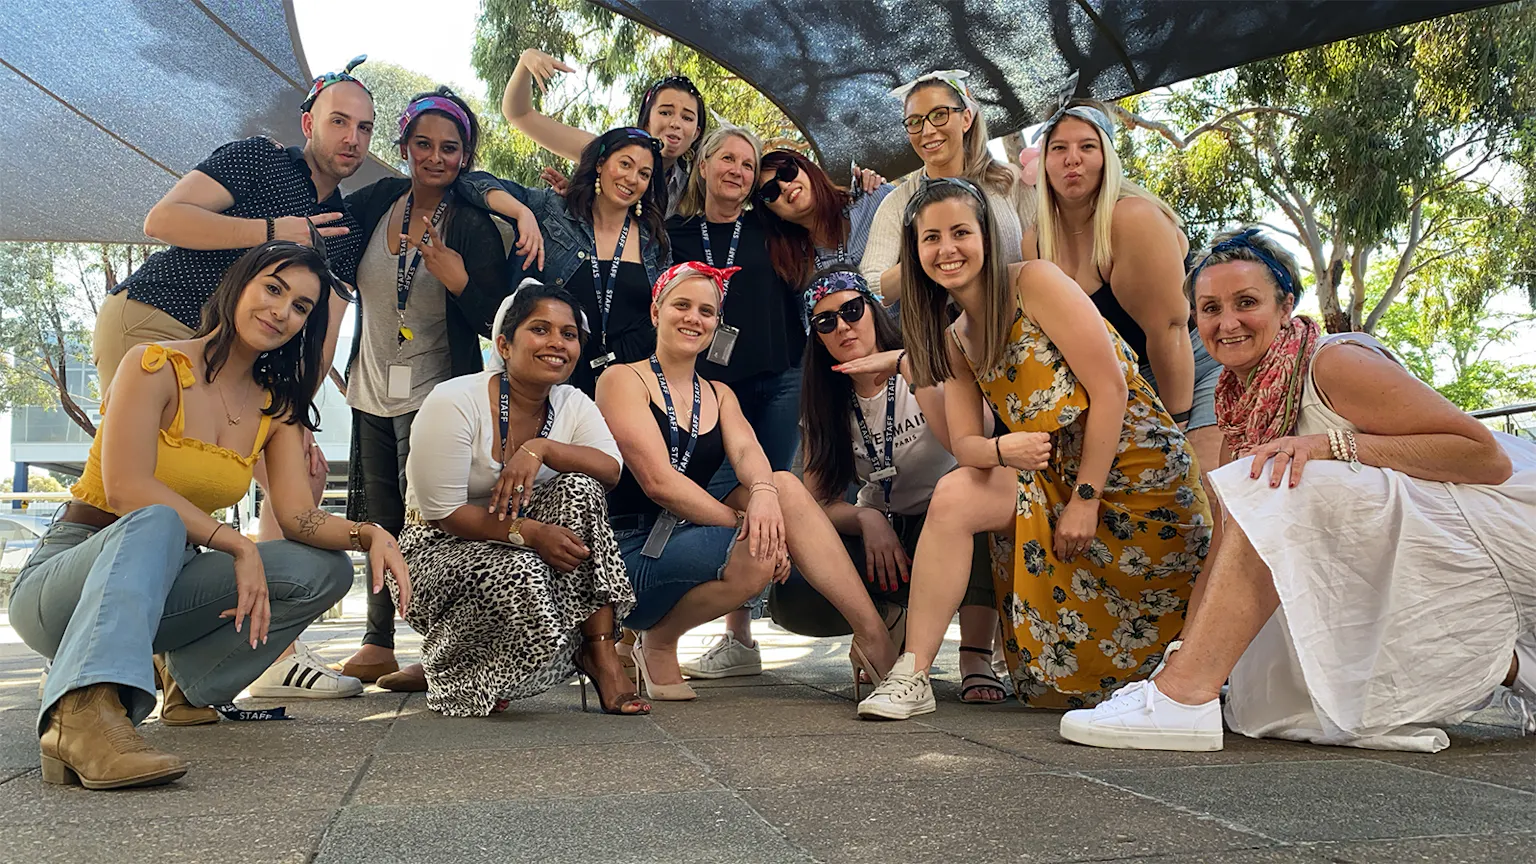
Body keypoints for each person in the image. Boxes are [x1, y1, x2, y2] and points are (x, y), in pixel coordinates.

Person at [1060, 228, 1536, 753]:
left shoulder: (1332, 363)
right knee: (1266, 693)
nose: (1227, 322)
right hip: (1412, 540)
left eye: (1247, 303)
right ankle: (1182, 691)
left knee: (1282, 478)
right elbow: (1228, 548)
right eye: (1210, 308)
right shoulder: (1240, 406)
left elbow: (1484, 457)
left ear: (1287, 306)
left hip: (1492, 530)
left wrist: (1329, 446)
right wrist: (1184, 657)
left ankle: (1182, 704)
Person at [8, 242, 411, 789]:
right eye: (273, 288)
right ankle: (80, 713)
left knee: (327, 568)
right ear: (238, 285)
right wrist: (236, 543)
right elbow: (128, 489)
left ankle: (192, 683)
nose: (282, 311)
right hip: (69, 578)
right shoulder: (155, 364)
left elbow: (298, 518)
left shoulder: (276, 405)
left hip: (166, 585)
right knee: (157, 520)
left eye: (301, 307)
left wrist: (370, 534)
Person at [856, 179, 1211, 721]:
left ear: (985, 237)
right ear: (916, 252)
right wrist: (1002, 447)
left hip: (1135, 472)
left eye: (960, 232)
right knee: (955, 494)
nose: (947, 249)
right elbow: (968, 446)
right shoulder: (956, 339)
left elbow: (1112, 388)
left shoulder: (1035, 282)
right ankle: (913, 673)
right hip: (1048, 471)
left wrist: (1087, 498)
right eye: (931, 238)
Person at [93, 57, 377, 698]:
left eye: (363, 128)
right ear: (310, 121)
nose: (351, 138)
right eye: (338, 121)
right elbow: (164, 220)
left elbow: (323, 322)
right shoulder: (258, 160)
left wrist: (296, 417)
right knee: (149, 486)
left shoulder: (350, 227)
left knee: (294, 484)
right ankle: (111, 653)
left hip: (244, 368)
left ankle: (272, 653)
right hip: (155, 321)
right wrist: (278, 232)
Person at [596, 262, 900, 701]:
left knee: (782, 485)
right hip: (630, 552)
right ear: (655, 311)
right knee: (758, 549)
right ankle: (659, 641)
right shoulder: (622, 378)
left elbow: (749, 456)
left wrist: (761, 496)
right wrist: (748, 524)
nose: (693, 318)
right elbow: (658, 482)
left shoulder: (719, 394)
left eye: (706, 310)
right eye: (681, 305)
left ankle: (873, 636)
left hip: (687, 539)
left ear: (717, 323)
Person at [374, 281, 646, 716]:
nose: (557, 342)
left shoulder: (571, 403)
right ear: (504, 343)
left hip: (522, 537)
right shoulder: (454, 401)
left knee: (581, 488)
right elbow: (443, 514)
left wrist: (544, 449)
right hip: (435, 549)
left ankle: (600, 650)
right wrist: (530, 533)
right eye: (540, 330)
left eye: (569, 334)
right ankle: (449, 664)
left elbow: (611, 471)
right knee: (518, 569)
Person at [330, 89, 521, 683]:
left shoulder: (471, 224)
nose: (435, 158)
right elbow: (322, 222)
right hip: (369, 387)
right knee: (379, 517)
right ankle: (378, 641)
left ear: (465, 156)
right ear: (405, 146)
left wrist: (462, 282)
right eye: (423, 144)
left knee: (434, 518)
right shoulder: (380, 201)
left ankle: (442, 651)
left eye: (450, 148)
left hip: (438, 394)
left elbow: (501, 321)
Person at [774, 268, 1006, 703]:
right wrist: (866, 518)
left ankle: (975, 655)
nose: (842, 326)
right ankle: (882, 629)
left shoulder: (927, 358)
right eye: (826, 321)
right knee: (793, 596)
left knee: (970, 488)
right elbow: (818, 500)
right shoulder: (826, 400)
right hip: (888, 528)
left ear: (873, 309)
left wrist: (909, 367)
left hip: (948, 517)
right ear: (817, 337)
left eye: (851, 310)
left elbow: (972, 440)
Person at [1024, 100, 1225, 594]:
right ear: (1044, 162)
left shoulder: (1132, 218)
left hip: (1190, 369)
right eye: (1060, 149)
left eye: (1087, 147)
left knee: (1200, 492)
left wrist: (1174, 429)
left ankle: (1222, 639)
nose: (1073, 160)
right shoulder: (1035, 241)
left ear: (1108, 158)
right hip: (1118, 382)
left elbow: (1170, 331)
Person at [458, 127, 671, 397]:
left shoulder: (654, 239)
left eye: (644, 174)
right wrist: (522, 213)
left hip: (632, 383)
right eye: (625, 164)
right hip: (555, 379)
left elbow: (664, 313)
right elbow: (471, 183)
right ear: (600, 164)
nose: (632, 179)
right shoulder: (553, 211)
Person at [860, 70, 1033, 307]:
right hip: (948, 334)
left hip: (1022, 315)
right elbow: (870, 289)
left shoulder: (1007, 179)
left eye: (939, 114)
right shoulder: (898, 203)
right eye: (915, 122)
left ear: (966, 119)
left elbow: (1042, 250)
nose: (927, 130)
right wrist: (925, 255)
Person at [501, 49, 705, 217]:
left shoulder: (700, 178)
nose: (675, 123)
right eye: (665, 112)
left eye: (687, 118)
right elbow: (519, 114)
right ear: (646, 120)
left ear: (696, 133)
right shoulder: (609, 152)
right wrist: (526, 60)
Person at [757, 149, 896, 284]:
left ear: (806, 168)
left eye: (786, 171)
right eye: (770, 191)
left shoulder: (877, 199)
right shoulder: (794, 271)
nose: (784, 186)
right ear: (772, 213)